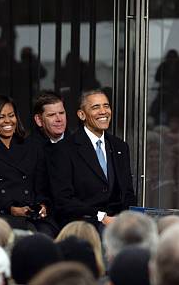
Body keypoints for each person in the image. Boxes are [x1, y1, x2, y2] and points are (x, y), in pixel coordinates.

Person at [0, 94, 58, 236]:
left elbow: (42, 187)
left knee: (46, 235)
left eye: (11, 115)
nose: (8, 121)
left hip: (33, 217)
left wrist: (42, 205)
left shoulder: (32, 146)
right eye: (1, 117)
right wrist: (10, 208)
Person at [47, 89, 136, 227]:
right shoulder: (64, 149)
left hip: (118, 222)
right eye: (96, 107)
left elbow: (128, 193)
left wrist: (125, 219)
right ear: (82, 115)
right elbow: (64, 200)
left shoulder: (120, 147)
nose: (103, 111)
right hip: (84, 222)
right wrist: (102, 217)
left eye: (106, 106)